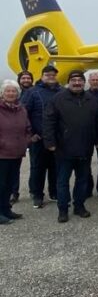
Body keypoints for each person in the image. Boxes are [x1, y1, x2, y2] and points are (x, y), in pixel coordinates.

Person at [44, 70, 98, 223]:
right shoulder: (58, 99)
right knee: (62, 181)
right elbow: (48, 121)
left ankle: (79, 206)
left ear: (84, 82)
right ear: (69, 82)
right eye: (74, 80)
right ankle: (63, 210)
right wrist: (50, 142)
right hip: (63, 149)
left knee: (82, 180)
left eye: (80, 80)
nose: (77, 83)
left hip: (85, 148)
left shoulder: (91, 99)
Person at [23, 64, 60, 208]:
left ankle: (54, 192)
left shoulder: (61, 91)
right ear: (42, 75)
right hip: (38, 138)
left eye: (53, 75)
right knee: (38, 168)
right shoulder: (32, 92)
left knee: (55, 167)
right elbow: (24, 114)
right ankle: (37, 195)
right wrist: (30, 134)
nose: (51, 77)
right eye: (48, 75)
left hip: (56, 138)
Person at [0, 80, 31, 224]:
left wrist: (26, 141)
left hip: (17, 152)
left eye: (14, 91)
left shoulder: (21, 109)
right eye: (8, 91)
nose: (11, 93)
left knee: (10, 183)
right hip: (2, 153)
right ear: (2, 93)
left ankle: (6, 209)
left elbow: (27, 128)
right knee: (1, 184)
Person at [9, 71, 33, 205]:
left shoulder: (35, 92)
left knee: (34, 166)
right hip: (11, 139)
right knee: (12, 168)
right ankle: (13, 192)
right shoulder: (14, 95)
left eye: (28, 78)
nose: (26, 80)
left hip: (29, 134)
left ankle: (33, 190)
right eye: (23, 78)